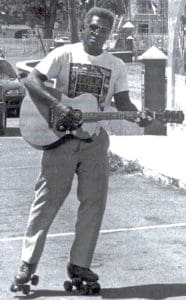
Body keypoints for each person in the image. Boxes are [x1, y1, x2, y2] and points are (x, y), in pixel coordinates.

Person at [13, 7, 152, 289]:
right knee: (46, 201)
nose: (96, 33)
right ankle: (27, 263)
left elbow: (123, 103)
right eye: (92, 27)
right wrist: (60, 106)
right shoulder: (65, 54)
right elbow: (31, 80)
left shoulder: (117, 65)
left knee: (94, 202)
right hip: (60, 138)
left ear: (109, 34)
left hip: (94, 140)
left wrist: (139, 115)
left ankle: (80, 263)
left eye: (102, 29)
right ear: (85, 27)